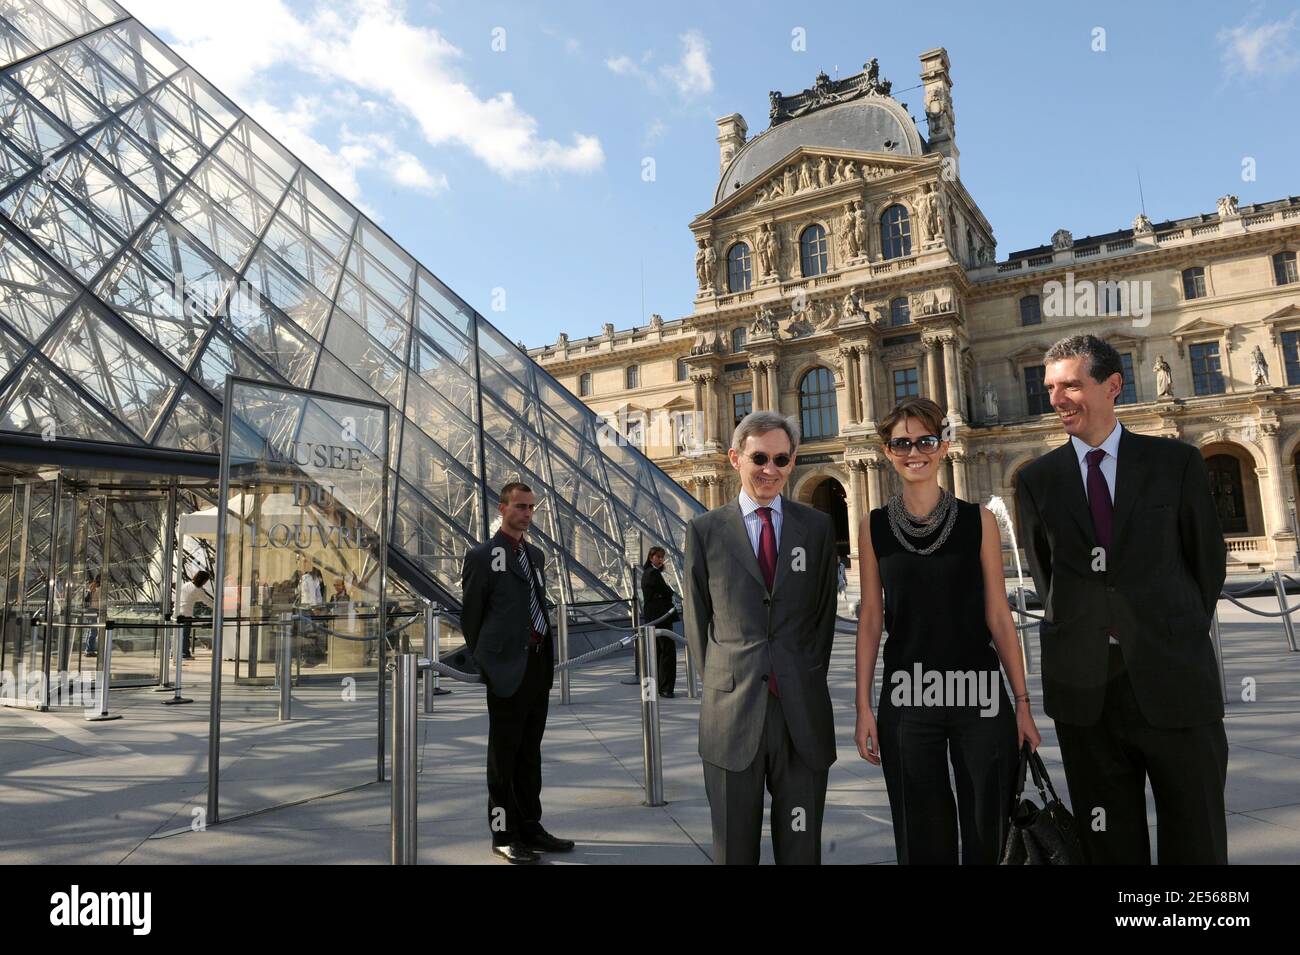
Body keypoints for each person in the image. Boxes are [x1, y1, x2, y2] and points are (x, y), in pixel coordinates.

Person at [1016, 335, 1228, 864]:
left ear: (1113, 385)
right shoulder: (1036, 481)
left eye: (1071, 385)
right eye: (1050, 387)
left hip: (1174, 676)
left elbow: (1206, 564)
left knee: (1196, 831)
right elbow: (1050, 581)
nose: (1058, 398)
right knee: (1107, 840)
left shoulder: (1175, 463)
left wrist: (1162, 629)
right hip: (1086, 690)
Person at [854, 397, 1039, 864]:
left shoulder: (979, 521)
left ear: (943, 445)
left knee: (988, 828)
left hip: (980, 694)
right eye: (901, 443)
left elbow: (999, 615)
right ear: (886, 451)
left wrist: (1022, 704)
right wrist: (862, 707)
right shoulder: (873, 527)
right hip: (906, 696)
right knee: (921, 835)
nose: (913, 451)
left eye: (925, 441)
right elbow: (872, 620)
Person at [683, 410, 839, 865]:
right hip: (731, 714)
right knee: (734, 849)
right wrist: (720, 683)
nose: (770, 469)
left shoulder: (816, 529)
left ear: (792, 463)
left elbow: (824, 617)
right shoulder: (705, 530)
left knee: (801, 848)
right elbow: (698, 621)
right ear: (735, 458)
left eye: (781, 458)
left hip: (801, 713)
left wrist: (804, 675)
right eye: (759, 457)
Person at [460, 482, 575, 864]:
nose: (526, 514)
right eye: (520, 507)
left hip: (538, 665)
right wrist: (487, 662)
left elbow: (536, 602)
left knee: (530, 753)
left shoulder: (536, 555)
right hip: (508, 669)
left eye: (531, 508)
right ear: (502, 507)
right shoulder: (483, 556)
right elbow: (471, 617)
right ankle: (503, 833)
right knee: (503, 757)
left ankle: (531, 826)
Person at [641, 546, 679, 697]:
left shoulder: (649, 572)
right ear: (651, 557)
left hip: (654, 617)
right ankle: (665, 688)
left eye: (662, 557)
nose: (660, 559)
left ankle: (658, 687)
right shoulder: (653, 573)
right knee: (667, 652)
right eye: (658, 557)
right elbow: (666, 591)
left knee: (657, 651)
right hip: (660, 616)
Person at [176, 570, 211, 659]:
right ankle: (184, 654)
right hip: (186, 614)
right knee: (185, 635)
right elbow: (207, 602)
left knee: (178, 634)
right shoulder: (198, 590)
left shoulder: (186, 585)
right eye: (206, 581)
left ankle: (175, 652)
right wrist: (219, 608)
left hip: (177, 612)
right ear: (203, 580)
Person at [82, 573, 100, 657]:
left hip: (89, 611)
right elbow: (99, 602)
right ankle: (89, 650)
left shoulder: (90, 588)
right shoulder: (96, 589)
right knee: (93, 631)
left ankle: (89, 649)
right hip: (92, 611)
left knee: (91, 631)